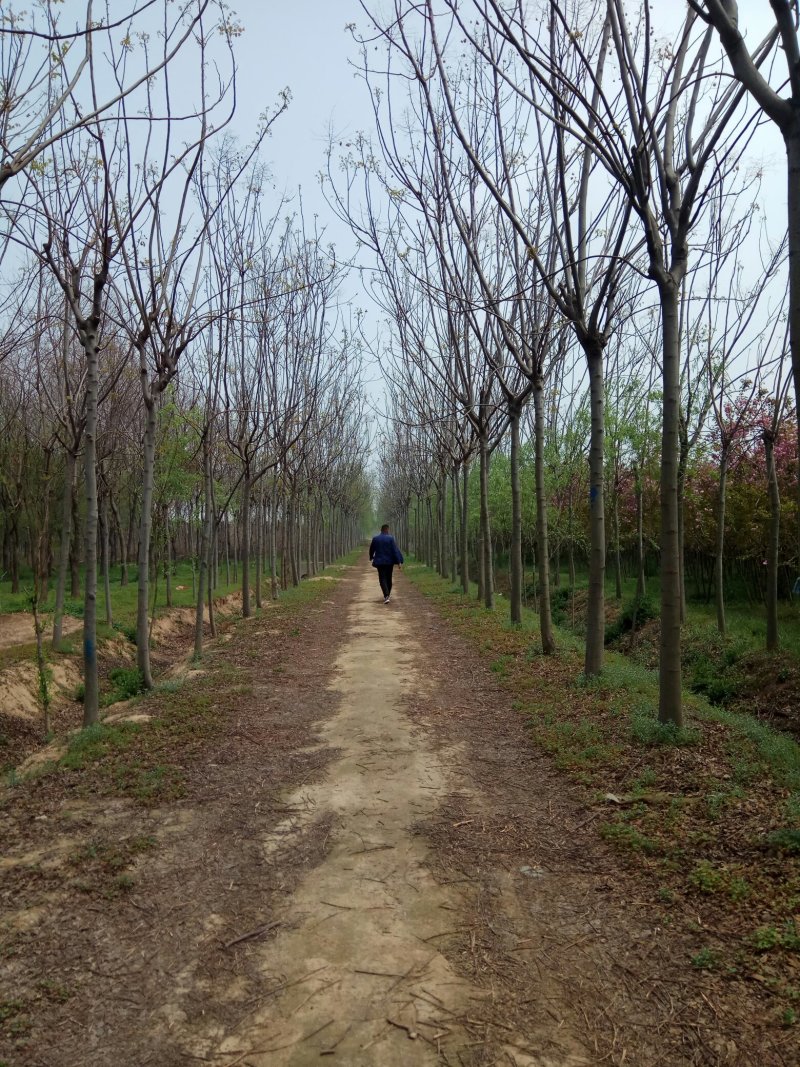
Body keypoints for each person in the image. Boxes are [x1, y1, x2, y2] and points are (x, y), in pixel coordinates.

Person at [369, 523, 404, 603]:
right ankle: (387, 595)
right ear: (387, 530)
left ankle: (386, 595)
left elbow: (371, 549)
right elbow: (395, 551)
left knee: (382, 578)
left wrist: (371, 557)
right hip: (389, 562)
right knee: (389, 578)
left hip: (380, 562)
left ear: (381, 530)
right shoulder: (391, 538)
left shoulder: (375, 538)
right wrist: (399, 562)